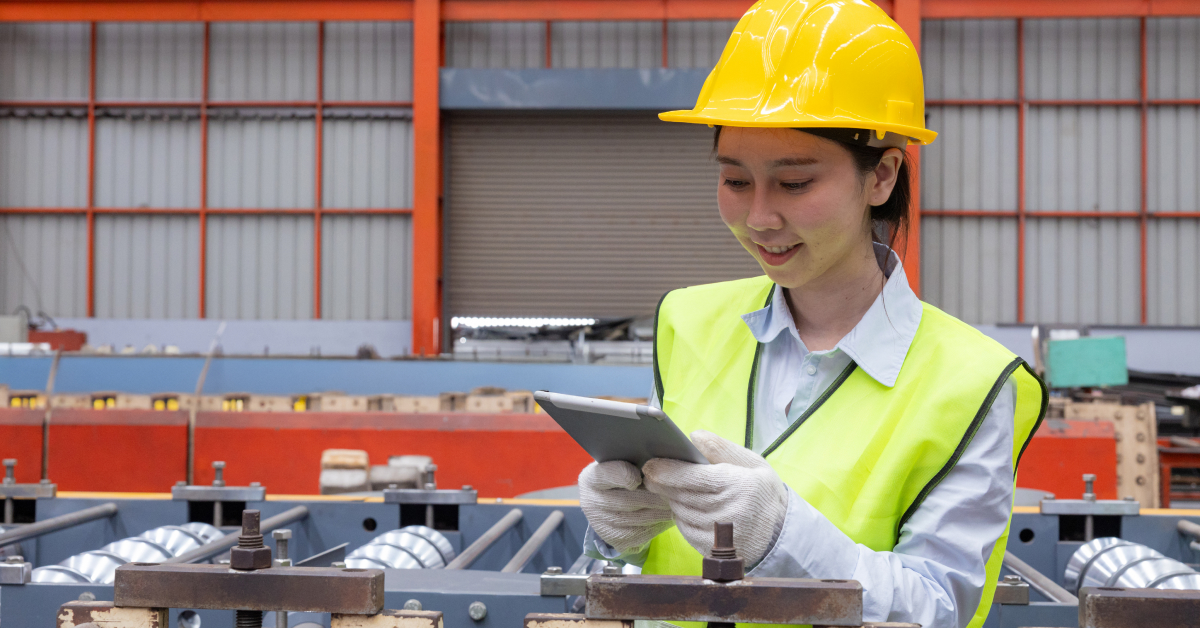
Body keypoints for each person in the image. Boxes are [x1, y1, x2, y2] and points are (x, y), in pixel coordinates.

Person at [576, 1, 1048, 627]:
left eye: (794, 184)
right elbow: (617, 581)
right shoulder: (687, 322)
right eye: (736, 181)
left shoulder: (971, 383)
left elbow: (936, 610)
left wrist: (782, 540)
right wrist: (615, 539)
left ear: (880, 176)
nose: (760, 218)